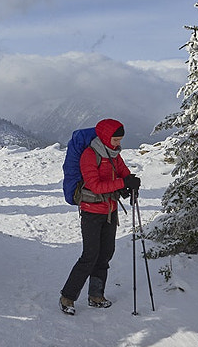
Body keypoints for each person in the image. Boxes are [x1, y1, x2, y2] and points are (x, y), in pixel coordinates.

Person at [60, 118, 141, 314]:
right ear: (105, 137)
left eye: (120, 140)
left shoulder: (114, 155)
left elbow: (123, 173)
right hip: (92, 211)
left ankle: (96, 296)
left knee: (105, 254)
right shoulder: (89, 155)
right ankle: (67, 297)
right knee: (90, 255)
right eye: (116, 140)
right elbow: (94, 186)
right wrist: (122, 184)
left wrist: (131, 185)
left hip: (110, 211)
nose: (118, 144)